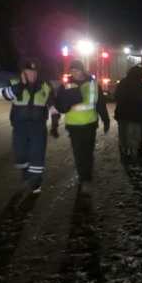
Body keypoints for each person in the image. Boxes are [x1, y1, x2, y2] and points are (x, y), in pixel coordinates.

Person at [1, 58, 60, 193]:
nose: (32, 74)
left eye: (34, 72)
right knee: (20, 154)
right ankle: (26, 172)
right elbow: (6, 95)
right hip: (19, 127)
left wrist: (55, 123)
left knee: (37, 154)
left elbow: (52, 105)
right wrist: (22, 85)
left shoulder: (45, 85)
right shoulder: (14, 83)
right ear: (23, 72)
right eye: (28, 71)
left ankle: (36, 183)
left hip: (38, 127)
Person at [56, 59, 110, 193]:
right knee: (79, 153)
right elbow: (59, 104)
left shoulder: (93, 84)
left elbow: (100, 104)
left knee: (88, 152)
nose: (75, 73)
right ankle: (84, 178)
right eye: (73, 71)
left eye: (78, 70)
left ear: (83, 70)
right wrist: (64, 107)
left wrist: (106, 119)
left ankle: (86, 177)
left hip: (89, 124)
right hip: (73, 125)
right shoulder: (66, 84)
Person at [114, 64, 142, 163]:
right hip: (135, 115)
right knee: (134, 136)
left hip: (121, 114)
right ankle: (134, 158)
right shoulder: (137, 83)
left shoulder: (123, 81)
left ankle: (124, 155)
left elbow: (116, 96)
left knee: (123, 135)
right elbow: (141, 98)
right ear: (139, 74)